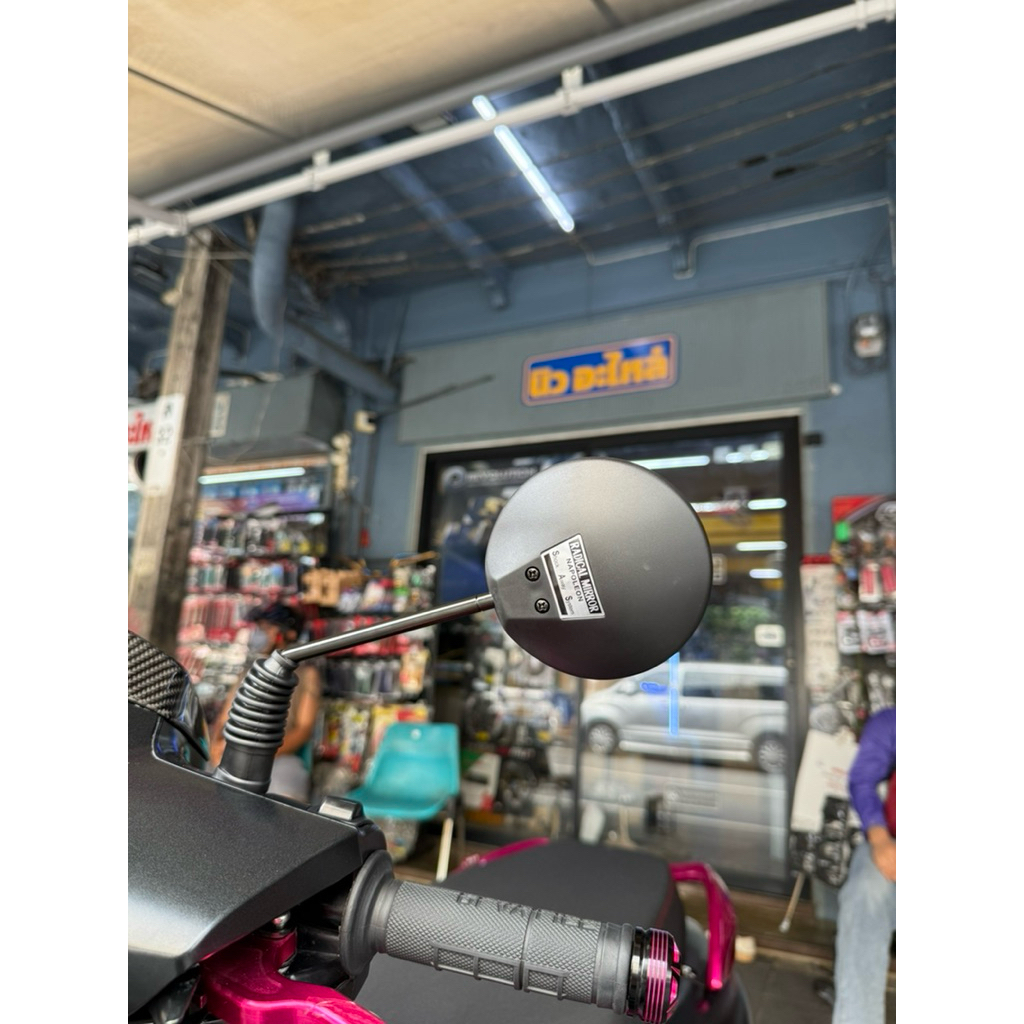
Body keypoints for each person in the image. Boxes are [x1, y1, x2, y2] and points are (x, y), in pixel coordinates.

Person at [209, 601, 321, 804]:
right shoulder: (250, 672)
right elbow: (224, 719)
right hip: (232, 753)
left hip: (280, 757)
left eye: (268, 628)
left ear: (289, 633)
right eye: (260, 628)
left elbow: (303, 729)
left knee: (285, 800)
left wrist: (261, 753)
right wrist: (216, 746)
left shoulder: (306, 675)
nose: (261, 634)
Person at [830, 706, 896, 1024]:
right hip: (894, 844)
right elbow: (862, 781)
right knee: (865, 894)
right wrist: (880, 837)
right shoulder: (894, 722)